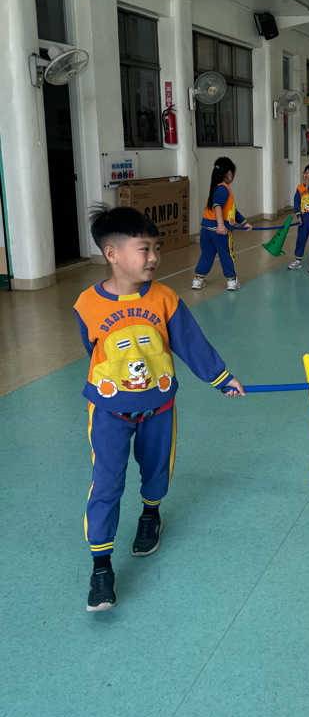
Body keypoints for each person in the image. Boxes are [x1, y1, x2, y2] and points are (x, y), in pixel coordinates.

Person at [75, 205, 245, 612]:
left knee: (156, 470)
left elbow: (190, 342)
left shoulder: (165, 298)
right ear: (112, 254)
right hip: (109, 412)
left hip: (159, 406)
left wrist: (221, 378)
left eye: (156, 248)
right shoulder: (87, 303)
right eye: (144, 249)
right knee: (106, 483)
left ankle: (151, 514)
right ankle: (101, 567)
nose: (153, 257)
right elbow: (92, 347)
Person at [192, 157, 252, 292]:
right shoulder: (224, 188)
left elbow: (231, 210)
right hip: (219, 230)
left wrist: (244, 222)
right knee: (226, 254)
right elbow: (217, 206)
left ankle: (198, 279)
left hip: (206, 227)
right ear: (229, 173)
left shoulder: (216, 187)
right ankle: (232, 280)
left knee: (207, 254)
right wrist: (220, 224)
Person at [288, 164, 309, 273]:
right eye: (305, 173)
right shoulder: (299, 188)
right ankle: (298, 260)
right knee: (300, 240)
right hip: (303, 220)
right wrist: (298, 216)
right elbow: (296, 203)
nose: (307, 175)